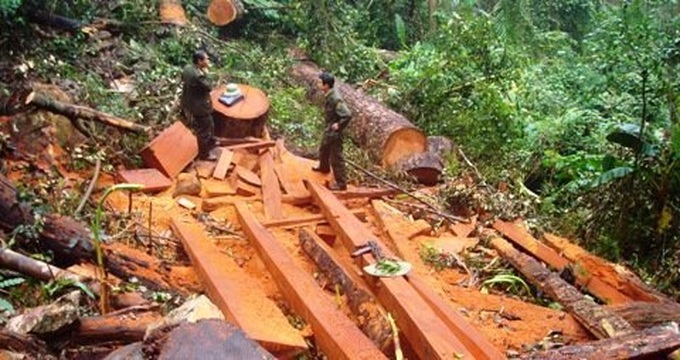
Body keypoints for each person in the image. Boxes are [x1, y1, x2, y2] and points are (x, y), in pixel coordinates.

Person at [312, 72, 352, 191]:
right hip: (329, 129)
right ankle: (324, 167)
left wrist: (338, 125)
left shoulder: (335, 98)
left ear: (326, 85)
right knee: (323, 148)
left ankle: (341, 183)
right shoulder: (328, 95)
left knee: (336, 156)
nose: (318, 84)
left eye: (320, 82)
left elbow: (347, 115)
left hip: (335, 132)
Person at [181, 50, 217, 160]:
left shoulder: (188, 68)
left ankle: (211, 142)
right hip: (199, 106)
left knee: (210, 123)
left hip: (189, 101)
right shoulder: (199, 76)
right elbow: (209, 87)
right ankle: (204, 154)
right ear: (199, 61)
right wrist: (207, 72)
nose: (208, 61)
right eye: (206, 59)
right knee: (204, 129)